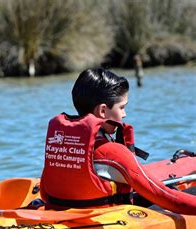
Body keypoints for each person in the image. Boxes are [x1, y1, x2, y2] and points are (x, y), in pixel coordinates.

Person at [39, 68, 196, 214]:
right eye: (121, 107)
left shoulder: (61, 145)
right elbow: (165, 196)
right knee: (179, 190)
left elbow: (45, 195)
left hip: (65, 213)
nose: (124, 114)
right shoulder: (112, 152)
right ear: (102, 110)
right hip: (108, 220)